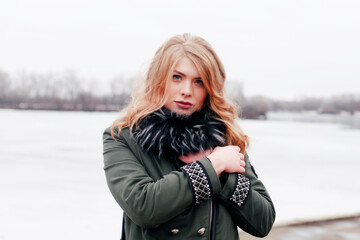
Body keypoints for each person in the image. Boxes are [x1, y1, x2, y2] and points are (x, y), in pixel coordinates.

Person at [103, 33, 275, 240]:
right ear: (158, 79)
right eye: (177, 77)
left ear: (210, 89)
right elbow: (143, 207)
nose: (186, 91)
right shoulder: (123, 137)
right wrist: (210, 167)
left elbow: (263, 222)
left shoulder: (223, 138)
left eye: (199, 82)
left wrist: (224, 176)